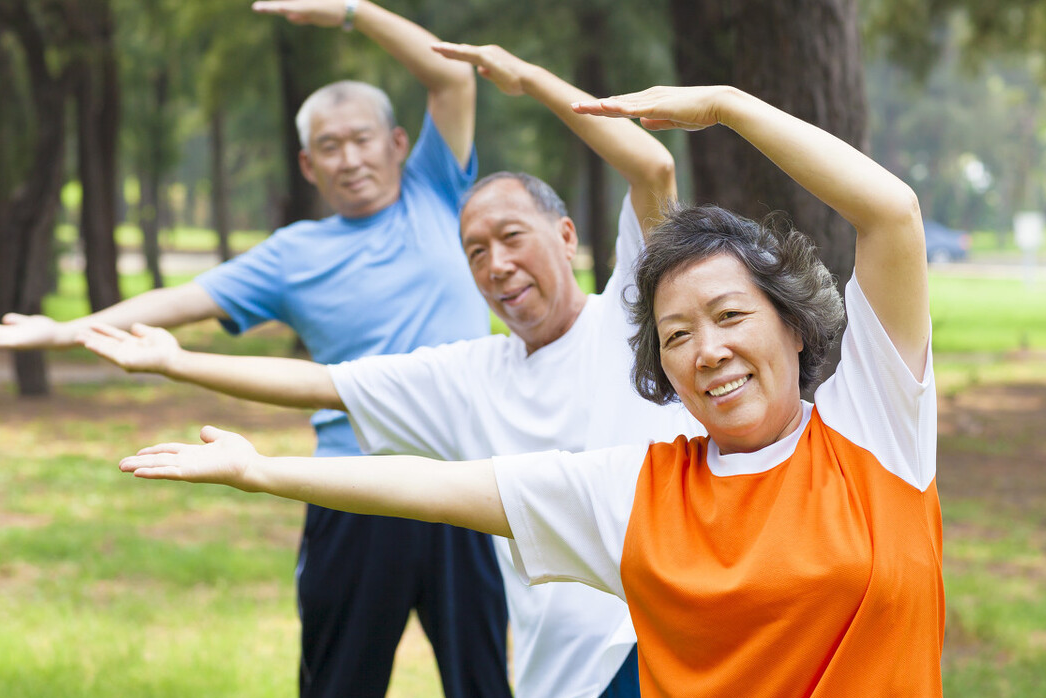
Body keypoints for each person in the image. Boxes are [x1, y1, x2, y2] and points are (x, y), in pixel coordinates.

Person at [115, 84, 944, 696]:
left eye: (730, 316)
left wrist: (727, 107)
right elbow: (436, 487)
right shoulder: (640, 491)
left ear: (794, 326)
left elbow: (893, 216)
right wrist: (260, 470)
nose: (709, 351)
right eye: (678, 335)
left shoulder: (873, 427)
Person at [81, 44, 703, 698]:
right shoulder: (471, 376)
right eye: (476, 251)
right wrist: (178, 363)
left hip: (659, 643)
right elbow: (326, 385)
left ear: (568, 237)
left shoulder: (633, 310)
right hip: (560, 674)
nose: (496, 264)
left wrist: (528, 81)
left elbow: (652, 165)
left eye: (513, 237)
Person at [0, 2, 514, 697]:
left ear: (398, 143)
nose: (350, 158)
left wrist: (352, 13)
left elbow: (452, 79)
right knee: (338, 684)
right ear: (308, 163)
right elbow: (177, 303)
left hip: (465, 487)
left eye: (362, 139)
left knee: (483, 684)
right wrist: (62, 330)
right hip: (353, 492)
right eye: (329, 146)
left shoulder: (438, 190)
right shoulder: (292, 256)